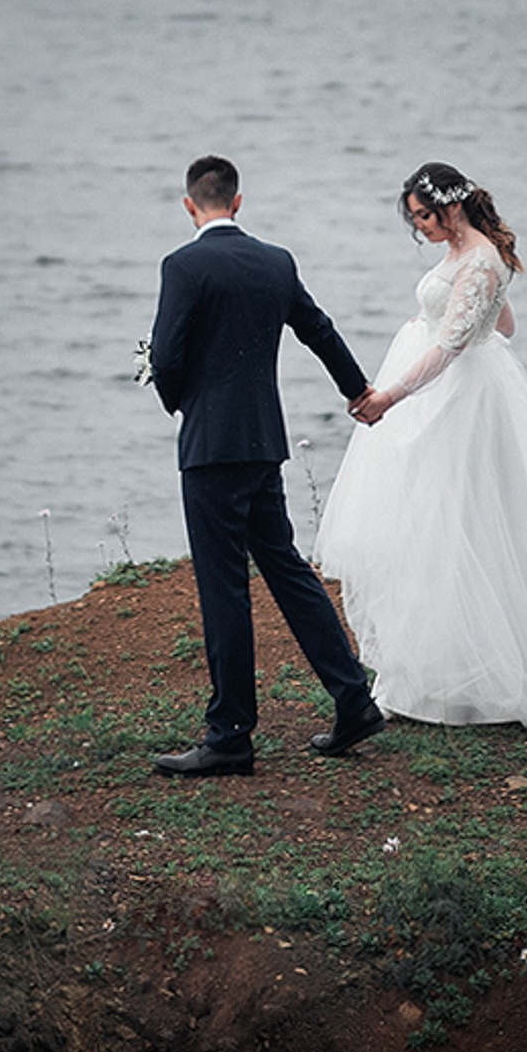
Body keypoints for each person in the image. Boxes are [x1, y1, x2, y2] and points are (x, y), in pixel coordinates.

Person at [315, 162, 527, 730]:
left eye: (423, 215)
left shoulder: (478, 260)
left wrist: (392, 395)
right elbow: (505, 326)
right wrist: (460, 325)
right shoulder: (475, 258)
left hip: (457, 401)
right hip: (461, 391)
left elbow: (454, 344)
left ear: (449, 206)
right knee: (432, 524)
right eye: (414, 218)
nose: (419, 227)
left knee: (453, 525)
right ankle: (422, 674)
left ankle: (460, 680)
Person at [145, 154, 390, 775]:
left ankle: (229, 736)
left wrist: (184, 406)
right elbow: (318, 329)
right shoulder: (275, 261)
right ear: (238, 201)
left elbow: (167, 356)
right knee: (287, 570)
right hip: (263, 444)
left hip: (211, 450)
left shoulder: (183, 265)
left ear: (189, 205)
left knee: (223, 587)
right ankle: (354, 699)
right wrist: (357, 390)